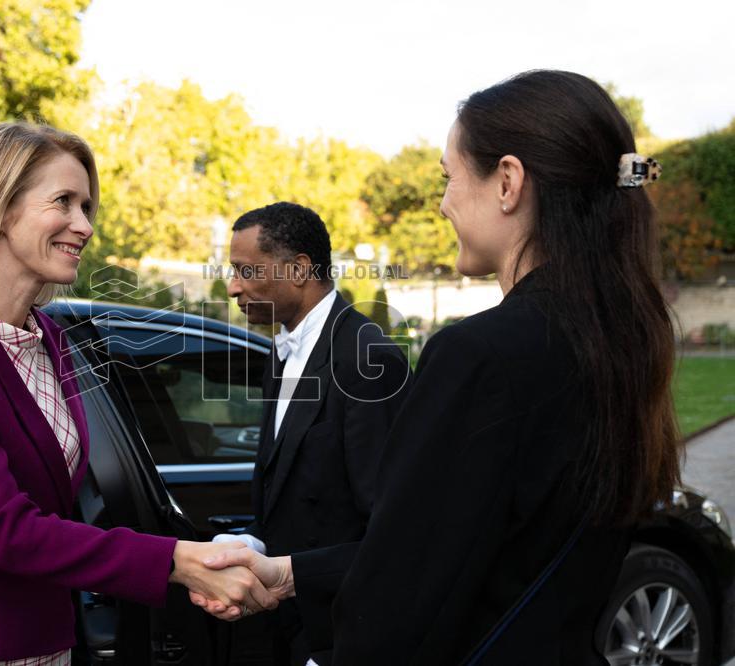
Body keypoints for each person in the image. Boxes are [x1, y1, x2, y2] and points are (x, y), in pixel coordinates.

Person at [196, 70, 682, 665]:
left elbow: (400, 594)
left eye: (448, 178)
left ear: (508, 182)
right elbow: (471, 548)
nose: (444, 202)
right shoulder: (620, 341)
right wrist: (286, 573)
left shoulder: (480, 355)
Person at [0, 122, 275, 665]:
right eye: (63, 201)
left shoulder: (52, 338)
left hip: (47, 643)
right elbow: (5, 529)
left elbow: (59, 510)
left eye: (87, 207)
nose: (83, 226)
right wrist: (178, 561)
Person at [216, 202, 409, 665]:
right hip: (284, 627)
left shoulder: (368, 359)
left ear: (299, 269)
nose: (232, 286)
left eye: (246, 270)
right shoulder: (281, 350)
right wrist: (251, 542)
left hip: (337, 634)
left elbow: (391, 532)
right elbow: (293, 491)